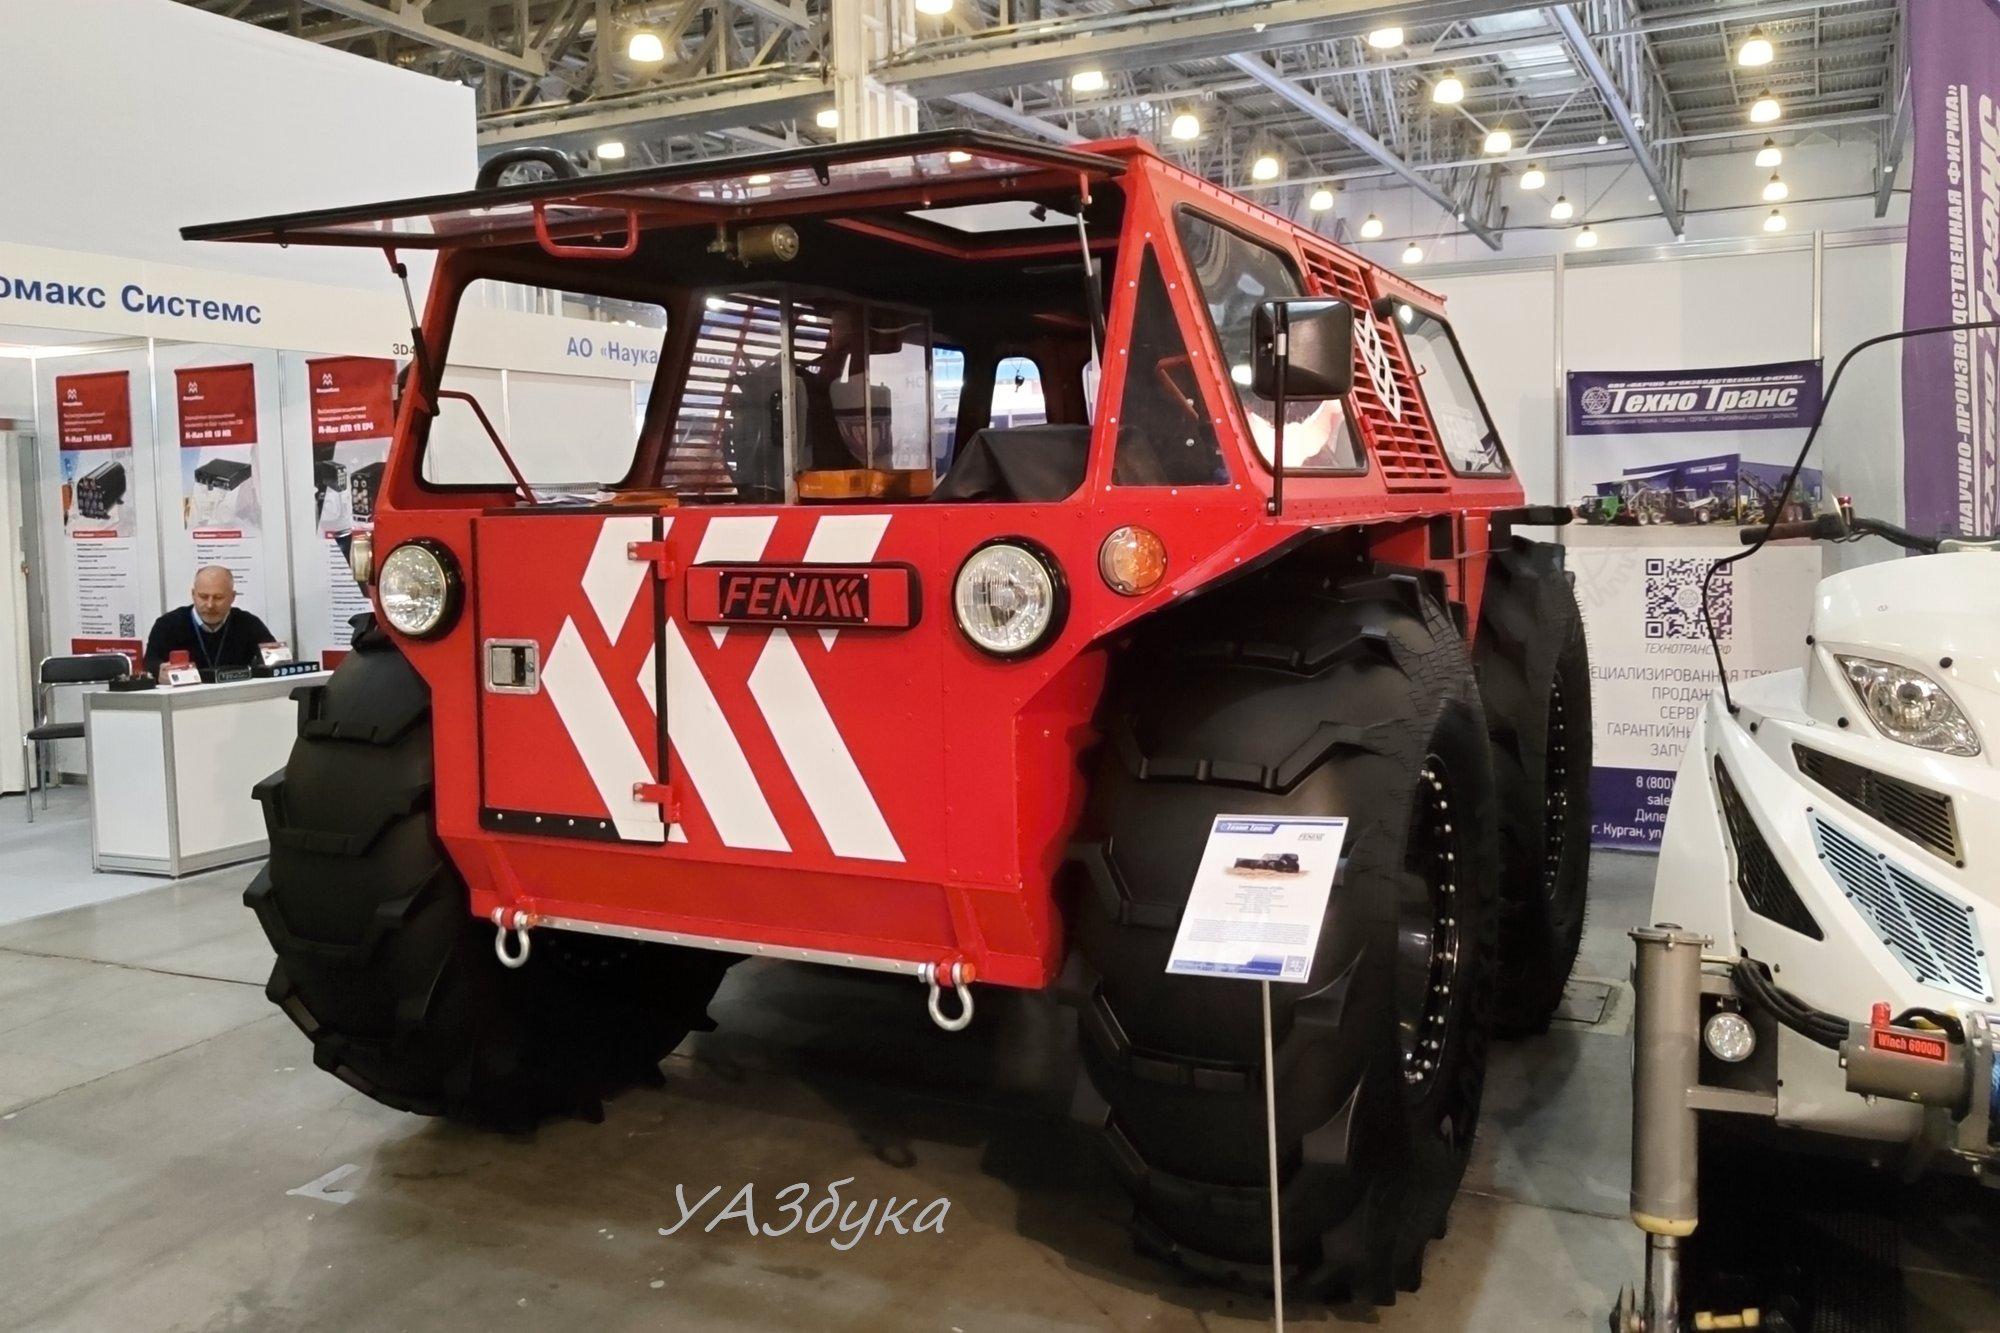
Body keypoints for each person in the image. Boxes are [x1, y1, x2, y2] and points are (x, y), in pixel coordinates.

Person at [143, 566, 276, 678]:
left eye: (218, 597)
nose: (210, 605)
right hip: (186, 697)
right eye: (203, 597)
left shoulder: (248, 623)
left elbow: (276, 658)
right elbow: (150, 663)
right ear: (193, 594)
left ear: (232, 597)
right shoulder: (168, 624)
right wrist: (160, 671)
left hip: (236, 696)